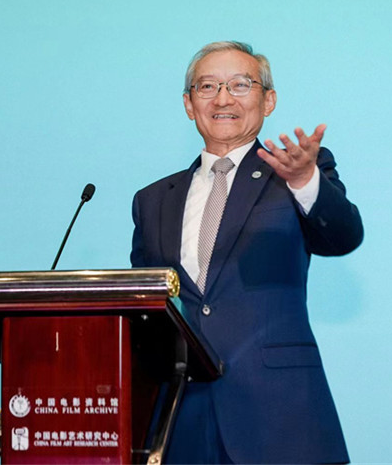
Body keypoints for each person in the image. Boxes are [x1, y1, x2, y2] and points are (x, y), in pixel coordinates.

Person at [130, 41, 363, 464]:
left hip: (281, 419)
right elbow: (146, 312)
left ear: (268, 100)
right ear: (188, 104)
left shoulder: (293, 174)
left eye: (240, 84)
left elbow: (343, 236)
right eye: (207, 87)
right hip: (181, 425)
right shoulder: (153, 200)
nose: (223, 99)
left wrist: (304, 181)